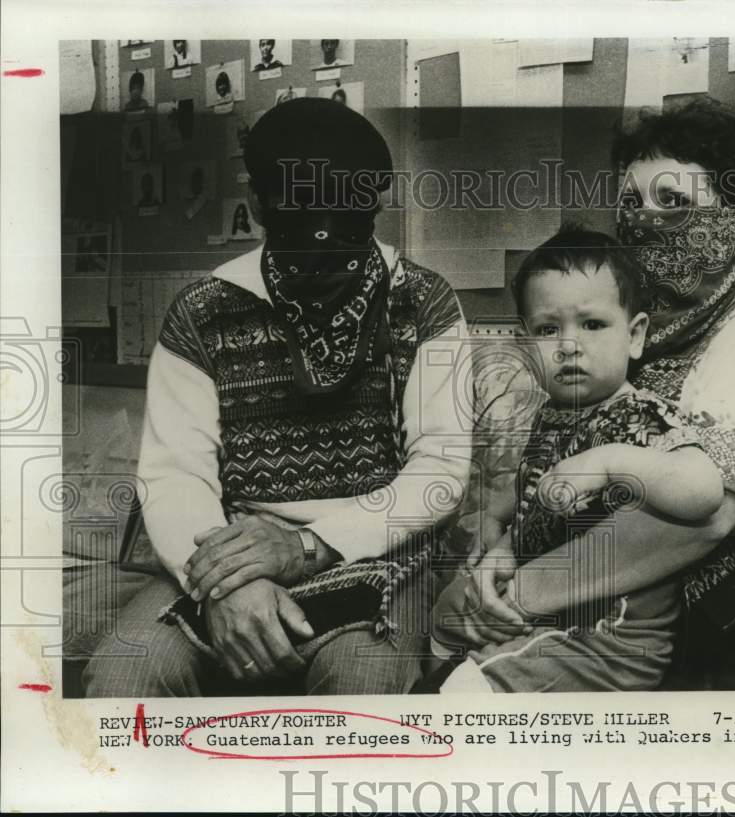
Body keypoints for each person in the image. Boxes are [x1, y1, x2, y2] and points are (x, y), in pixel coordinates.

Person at [437, 99, 735, 690]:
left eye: (673, 202)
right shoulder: (642, 341)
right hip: (647, 630)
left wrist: (514, 592)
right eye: (632, 203)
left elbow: (704, 520)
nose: (645, 220)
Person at [83, 98, 472, 697]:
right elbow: (175, 477)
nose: (323, 235)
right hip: (227, 547)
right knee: (122, 679)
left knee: (362, 686)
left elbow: (441, 468)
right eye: (301, 211)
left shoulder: (423, 301)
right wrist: (228, 584)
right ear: (261, 204)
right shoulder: (202, 311)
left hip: (376, 551)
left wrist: (307, 546)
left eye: (345, 212)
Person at [432, 228, 724, 693]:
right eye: (549, 330)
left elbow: (705, 491)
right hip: (554, 619)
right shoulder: (551, 417)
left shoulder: (640, 416)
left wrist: (610, 462)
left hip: (613, 639)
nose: (569, 345)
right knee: (441, 630)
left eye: (592, 325)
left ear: (635, 336)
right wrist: (502, 542)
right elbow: (534, 502)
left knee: (463, 691)